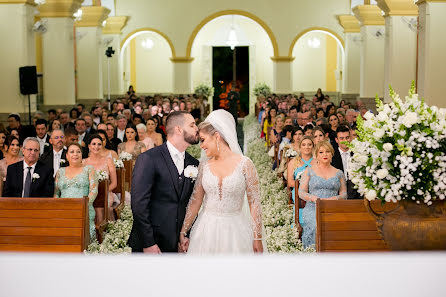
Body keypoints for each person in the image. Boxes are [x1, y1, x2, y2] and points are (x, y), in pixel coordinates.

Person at [179, 110, 263, 254]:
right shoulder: (204, 166)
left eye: (203, 140)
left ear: (217, 136)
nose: (201, 146)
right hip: (206, 230)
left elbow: (254, 202)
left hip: (236, 230)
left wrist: (257, 237)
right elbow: (195, 201)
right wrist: (183, 231)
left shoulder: (245, 164)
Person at [128, 111, 200, 253]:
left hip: (178, 244)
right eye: (192, 125)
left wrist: (185, 235)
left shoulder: (193, 163)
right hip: (151, 243)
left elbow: (191, 203)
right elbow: (138, 204)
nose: (197, 129)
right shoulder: (148, 158)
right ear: (178, 129)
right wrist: (148, 242)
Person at [298, 141, 347, 247]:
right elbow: (301, 192)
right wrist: (313, 198)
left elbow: (344, 194)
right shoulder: (309, 171)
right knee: (317, 225)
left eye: (327, 152)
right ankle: (313, 251)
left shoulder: (339, 173)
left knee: (339, 225)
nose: (325, 154)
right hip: (313, 207)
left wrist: (335, 199)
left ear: (332, 154)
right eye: (321, 152)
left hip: (333, 207)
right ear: (316, 155)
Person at [54, 142, 98, 242]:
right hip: (63, 210)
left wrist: (83, 206)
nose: (75, 154)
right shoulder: (60, 171)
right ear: (67, 156)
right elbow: (56, 193)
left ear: (82, 155)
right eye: (72, 152)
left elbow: (93, 191)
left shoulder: (89, 169)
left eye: (78, 152)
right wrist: (57, 208)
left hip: (84, 209)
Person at [83, 135, 118, 222]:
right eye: (93, 144)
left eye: (99, 144)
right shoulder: (84, 162)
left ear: (102, 146)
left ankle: (102, 233)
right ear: (89, 146)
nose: (96, 147)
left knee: (100, 209)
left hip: (106, 194)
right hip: (89, 194)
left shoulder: (108, 160)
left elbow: (114, 183)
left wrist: (103, 192)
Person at [287, 136, 316, 227]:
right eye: (304, 145)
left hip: (314, 191)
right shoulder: (293, 162)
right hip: (298, 192)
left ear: (313, 147)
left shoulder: (317, 162)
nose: (307, 147)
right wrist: (303, 184)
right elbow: (290, 182)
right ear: (300, 147)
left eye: (309, 145)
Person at [331, 126, 361, 199]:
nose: (345, 140)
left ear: (350, 138)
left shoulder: (358, 153)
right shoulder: (331, 155)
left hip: (356, 192)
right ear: (336, 140)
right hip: (337, 192)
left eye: (347, 137)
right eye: (341, 138)